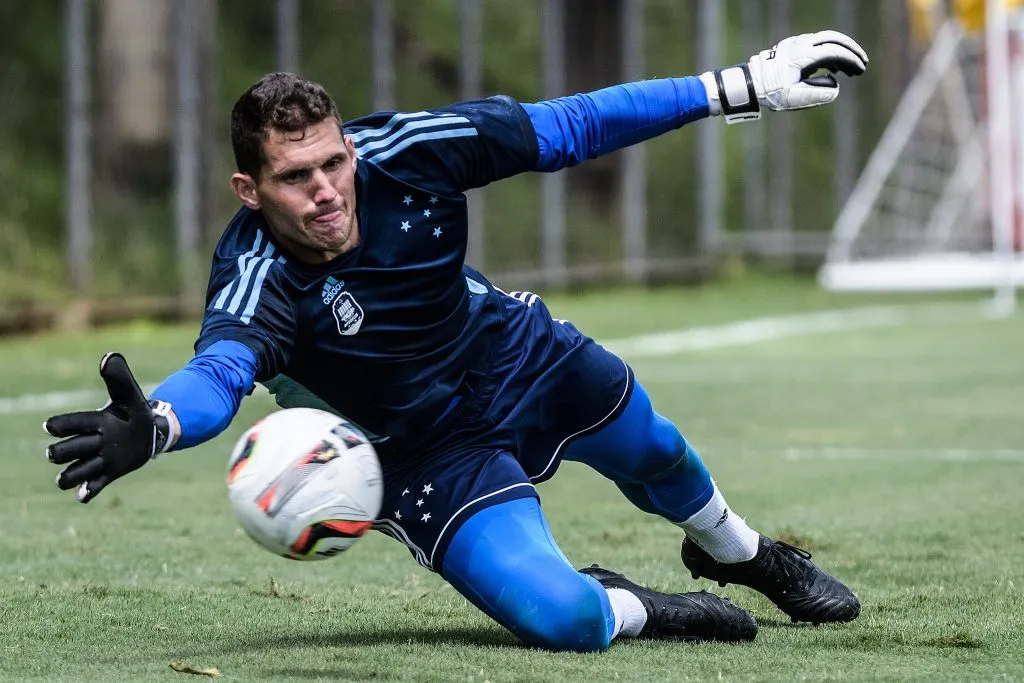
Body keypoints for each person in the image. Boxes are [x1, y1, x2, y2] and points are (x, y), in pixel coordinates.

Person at [43, 30, 868, 652]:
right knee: (566, 621)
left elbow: (571, 125)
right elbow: (221, 372)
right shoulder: (255, 276)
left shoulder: (411, 152)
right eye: (296, 178)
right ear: (248, 190)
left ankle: (739, 551)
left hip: (510, 352)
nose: (328, 191)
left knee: (658, 451)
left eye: (334, 162)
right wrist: (156, 421)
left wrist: (738, 86)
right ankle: (644, 604)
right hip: (417, 449)